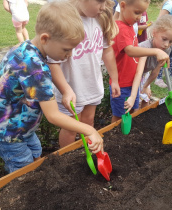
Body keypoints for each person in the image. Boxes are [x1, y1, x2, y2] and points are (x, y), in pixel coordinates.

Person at [0, 1, 104, 173]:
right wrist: (89, 129)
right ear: (45, 38)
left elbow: (44, 67)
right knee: (22, 167)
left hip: (20, 125)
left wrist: (66, 90)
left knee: (36, 152)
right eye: (66, 49)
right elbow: (53, 115)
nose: (69, 54)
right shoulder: (34, 69)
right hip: (5, 130)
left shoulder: (27, 47)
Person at [48, 0, 120, 148]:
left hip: (92, 84)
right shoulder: (64, 20)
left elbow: (107, 51)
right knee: (70, 128)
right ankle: (66, 158)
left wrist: (115, 78)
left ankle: (84, 152)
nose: (104, 6)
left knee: (89, 122)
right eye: (100, 1)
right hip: (70, 87)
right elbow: (52, 62)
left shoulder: (100, 19)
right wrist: (65, 90)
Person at [111, 0, 169, 123]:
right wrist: (155, 51)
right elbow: (130, 50)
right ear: (122, 6)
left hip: (132, 82)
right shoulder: (121, 28)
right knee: (119, 117)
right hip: (121, 83)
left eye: (142, 13)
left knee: (133, 112)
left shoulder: (130, 26)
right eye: (137, 12)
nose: (139, 17)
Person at [138, 14, 172, 108]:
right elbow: (138, 71)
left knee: (146, 98)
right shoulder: (144, 47)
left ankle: (144, 115)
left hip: (144, 74)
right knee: (135, 102)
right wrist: (142, 87)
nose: (166, 44)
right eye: (164, 39)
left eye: (170, 41)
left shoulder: (166, 50)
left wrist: (145, 86)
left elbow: (155, 72)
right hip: (133, 74)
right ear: (154, 33)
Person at [154, 0, 172, 89]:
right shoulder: (169, 4)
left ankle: (170, 76)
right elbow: (160, 20)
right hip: (167, 36)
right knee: (162, 60)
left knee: (171, 58)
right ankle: (158, 78)